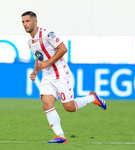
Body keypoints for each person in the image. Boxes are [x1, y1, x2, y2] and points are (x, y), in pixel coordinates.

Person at [21, 11, 107, 144]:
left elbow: (63, 49)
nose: (25, 24)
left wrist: (48, 63)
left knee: (69, 108)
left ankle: (92, 97)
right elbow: (39, 58)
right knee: (46, 104)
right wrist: (35, 72)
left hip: (61, 74)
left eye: (27, 21)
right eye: (23, 22)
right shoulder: (30, 42)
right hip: (47, 77)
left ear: (35, 21)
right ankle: (60, 136)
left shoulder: (47, 34)